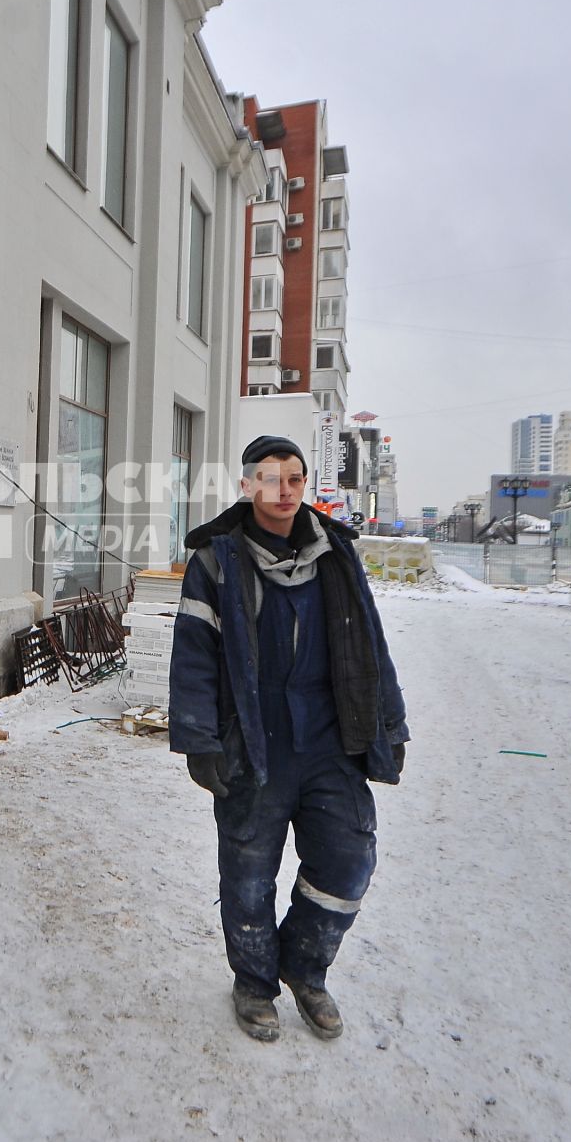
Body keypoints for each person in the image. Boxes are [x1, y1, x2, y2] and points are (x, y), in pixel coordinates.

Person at [168, 434, 408, 1043]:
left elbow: (369, 645)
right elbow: (194, 655)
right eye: (269, 478)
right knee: (248, 874)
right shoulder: (216, 561)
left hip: (332, 741)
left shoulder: (337, 554)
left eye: (294, 479)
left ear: (306, 486)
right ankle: (253, 983)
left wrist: (390, 723)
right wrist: (200, 738)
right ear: (247, 485)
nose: (283, 490)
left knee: (349, 860)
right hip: (254, 740)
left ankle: (305, 968)